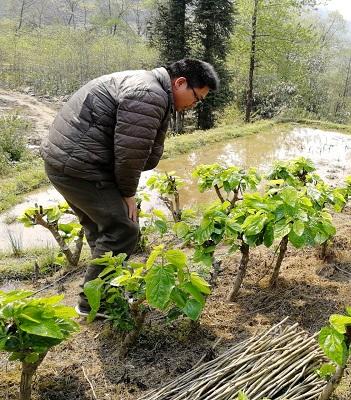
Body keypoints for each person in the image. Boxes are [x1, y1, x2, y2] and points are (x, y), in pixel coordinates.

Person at [41, 58, 219, 316]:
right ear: (180, 83)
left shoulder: (147, 85)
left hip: (66, 162)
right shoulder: (149, 94)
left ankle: (104, 289)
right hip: (80, 167)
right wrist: (128, 194)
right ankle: (94, 303)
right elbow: (130, 153)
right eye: (197, 97)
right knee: (124, 228)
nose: (194, 105)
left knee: (101, 228)